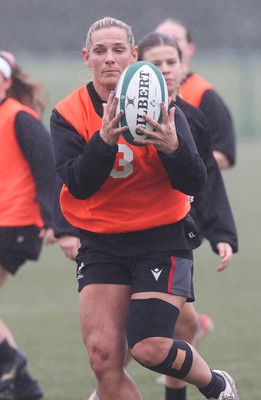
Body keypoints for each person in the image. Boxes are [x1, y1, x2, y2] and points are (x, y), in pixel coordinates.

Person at [50, 17, 239, 400]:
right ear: (87, 58)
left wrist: (173, 147)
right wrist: (103, 142)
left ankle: (216, 384)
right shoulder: (68, 113)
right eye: (100, 51)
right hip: (101, 243)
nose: (109, 59)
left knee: (149, 346)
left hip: (161, 239)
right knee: (103, 359)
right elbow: (78, 184)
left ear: (134, 56)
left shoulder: (166, 110)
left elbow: (195, 182)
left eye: (119, 50)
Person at [0, 51, 57, 400]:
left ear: (8, 82)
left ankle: (14, 367)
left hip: (16, 224)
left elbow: (47, 169)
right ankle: (21, 386)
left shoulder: (19, 117)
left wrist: (53, 221)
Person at [155, 18, 236, 170]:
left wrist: (183, 161)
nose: (165, 44)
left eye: (173, 40)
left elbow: (225, 155)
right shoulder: (140, 93)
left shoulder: (202, 93)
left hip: (193, 190)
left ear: (190, 48)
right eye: (159, 38)